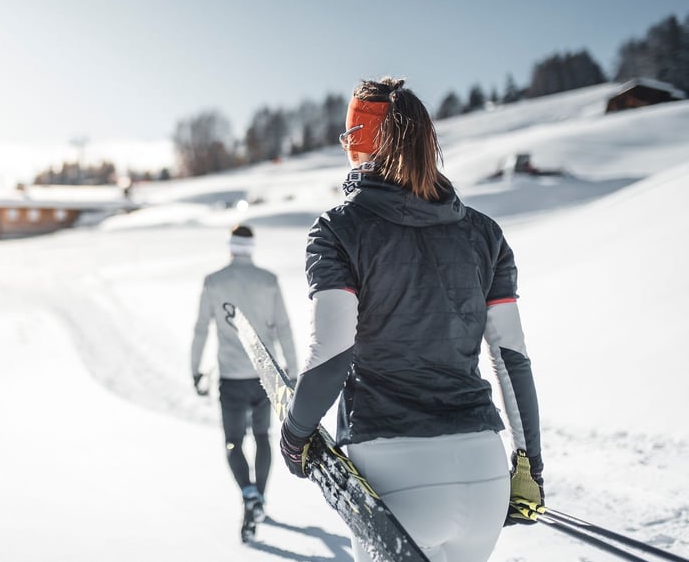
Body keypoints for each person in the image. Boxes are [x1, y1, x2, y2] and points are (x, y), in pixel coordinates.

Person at [278, 77, 543, 562]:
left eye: (346, 137)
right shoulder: (485, 234)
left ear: (358, 140)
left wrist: (295, 435)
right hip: (483, 475)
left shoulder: (338, 229)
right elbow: (511, 359)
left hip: (393, 476)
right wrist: (531, 467)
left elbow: (334, 353)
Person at [191, 224, 298, 523]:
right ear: (251, 248)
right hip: (266, 377)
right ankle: (260, 497)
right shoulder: (269, 281)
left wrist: (195, 370)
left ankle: (249, 494)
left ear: (230, 246)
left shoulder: (213, 282)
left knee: (233, 441)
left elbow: (201, 329)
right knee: (262, 436)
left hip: (231, 377)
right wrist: (293, 369)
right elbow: (284, 328)